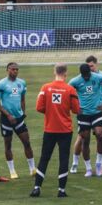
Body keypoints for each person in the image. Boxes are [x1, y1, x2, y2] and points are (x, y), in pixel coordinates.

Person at [30, 64, 80, 197]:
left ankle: (37, 188)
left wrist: (51, 112)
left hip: (50, 129)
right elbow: (76, 110)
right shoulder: (70, 89)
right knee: (63, 159)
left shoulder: (45, 88)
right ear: (66, 73)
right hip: (65, 130)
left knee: (44, 158)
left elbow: (39, 107)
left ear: (54, 72)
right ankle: (61, 190)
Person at [70, 55, 102, 175]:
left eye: (88, 75)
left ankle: (99, 164)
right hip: (83, 114)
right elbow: (68, 94)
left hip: (97, 112)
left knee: (100, 134)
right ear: (81, 74)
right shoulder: (75, 81)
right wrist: (75, 108)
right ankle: (88, 168)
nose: (86, 77)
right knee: (85, 140)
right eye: (84, 76)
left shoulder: (99, 77)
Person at [0, 62, 35, 179]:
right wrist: (8, 115)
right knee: (8, 145)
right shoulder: (1, 84)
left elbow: (22, 99)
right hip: (6, 119)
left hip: (19, 118)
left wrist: (23, 112)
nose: (15, 71)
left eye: (17, 69)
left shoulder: (22, 83)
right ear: (7, 70)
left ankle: (32, 169)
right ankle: (12, 171)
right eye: (13, 69)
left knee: (27, 142)